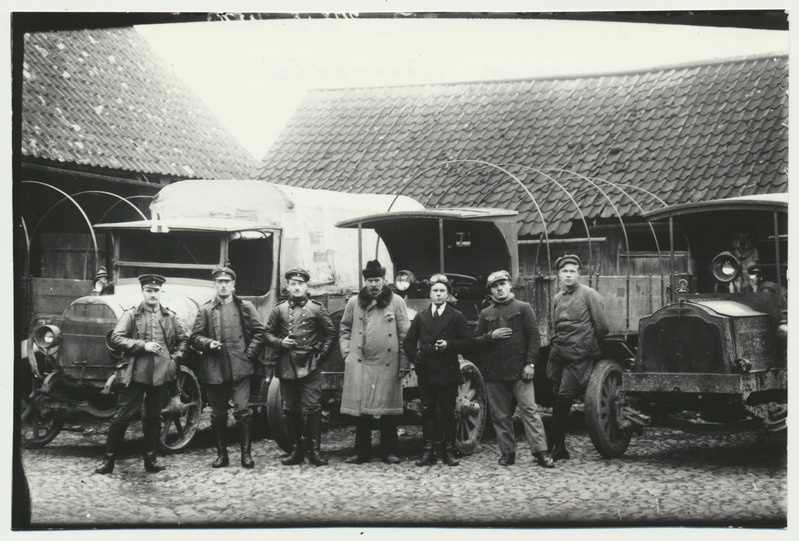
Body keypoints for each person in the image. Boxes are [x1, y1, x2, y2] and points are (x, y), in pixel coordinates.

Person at [95, 274, 188, 474]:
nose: (153, 294)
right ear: (143, 292)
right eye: (149, 291)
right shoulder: (131, 315)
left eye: (156, 291)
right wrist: (143, 345)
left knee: (153, 418)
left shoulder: (170, 317)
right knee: (122, 416)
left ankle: (150, 460)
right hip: (136, 373)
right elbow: (116, 339)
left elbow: (183, 341)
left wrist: (174, 360)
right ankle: (108, 461)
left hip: (160, 375)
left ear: (160, 292)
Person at [474, 270, 554, 468]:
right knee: (500, 415)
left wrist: (531, 364)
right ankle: (507, 453)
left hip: (520, 370)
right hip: (494, 373)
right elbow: (475, 342)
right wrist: (490, 336)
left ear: (510, 285)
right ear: (490, 290)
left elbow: (534, 338)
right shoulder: (486, 314)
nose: (499, 288)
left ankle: (541, 452)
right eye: (494, 286)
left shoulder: (524, 308)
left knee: (529, 410)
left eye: (502, 284)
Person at [191, 266, 267, 469]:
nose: (223, 286)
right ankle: (221, 455)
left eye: (227, 282)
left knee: (242, 412)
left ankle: (246, 455)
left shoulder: (245, 307)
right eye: (219, 282)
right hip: (215, 370)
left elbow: (261, 332)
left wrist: (249, 354)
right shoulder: (206, 310)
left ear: (233, 285)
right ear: (215, 285)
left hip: (240, 369)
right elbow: (195, 338)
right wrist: (208, 344)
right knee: (218, 415)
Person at [339, 260, 410, 464]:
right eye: (370, 280)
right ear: (365, 281)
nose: (373, 284)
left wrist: (404, 363)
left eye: (377, 280)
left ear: (384, 280)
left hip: (388, 362)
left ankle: (389, 451)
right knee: (363, 412)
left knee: (388, 410)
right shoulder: (354, 303)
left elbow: (405, 334)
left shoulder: (396, 302)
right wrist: (348, 355)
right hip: (361, 363)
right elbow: (344, 330)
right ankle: (361, 452)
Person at [264, 268, 337, 466]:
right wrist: (280, 343)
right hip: (287, 365)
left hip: (310, 365)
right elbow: (267, 334)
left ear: (306, 286)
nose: (296, 287)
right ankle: (296, 450)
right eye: (293, 284)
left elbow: (331, 333)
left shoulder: (316, 308)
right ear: (288, 287)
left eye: (300, 284)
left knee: (313, 407)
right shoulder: (279, 309)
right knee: (290, 408)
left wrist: (320, 357)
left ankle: (315, 451)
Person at [403, 274, 473, 467]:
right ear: (430, 294)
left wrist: (449, 345)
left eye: (443, 291)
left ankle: (448, 451)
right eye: (435, 291)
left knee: (448, 412)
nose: (439, 294)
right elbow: (408, 342)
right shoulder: (421, 316)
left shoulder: (456, 316)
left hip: (448, 370)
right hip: (426, 371)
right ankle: (428, 450)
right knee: (428, 410)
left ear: (448, 295)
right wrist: (416, 359)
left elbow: (468, 343)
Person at [547, 254, 610, 461]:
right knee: (556, 397)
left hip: (579, 355)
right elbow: (555, 326)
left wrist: (586, 345)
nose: (568, 275)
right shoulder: (557, 298)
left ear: (578, 274)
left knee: (565, 397)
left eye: (572, 271)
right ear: (558, 274)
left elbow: (602, 327)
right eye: (564, 271)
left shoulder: (589, 294)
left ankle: (552, 444)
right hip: (559, 354)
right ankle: (559, 447)